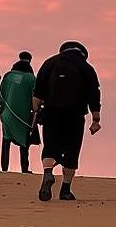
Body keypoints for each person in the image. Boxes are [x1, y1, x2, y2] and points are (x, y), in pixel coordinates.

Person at [32, 41, 102, 201]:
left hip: (51, 112)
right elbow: (94, 94)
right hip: (75, 114)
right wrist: (96, 119)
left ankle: (48, 172)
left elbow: (37, 95)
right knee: (72, 149)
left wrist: (35, 114)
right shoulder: (87, 68)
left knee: (50, 146)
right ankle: (65, 190)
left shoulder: (49, 63)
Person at [0, 51, 37, 173]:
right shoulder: (31, 78)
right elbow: (35, 98)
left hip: (7, 114)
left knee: (6, 140)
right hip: (24, 115)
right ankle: (24, 169)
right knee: (24, 142)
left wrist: (2, 112)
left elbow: (0, 97)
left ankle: (4, 169)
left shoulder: (8, 76)